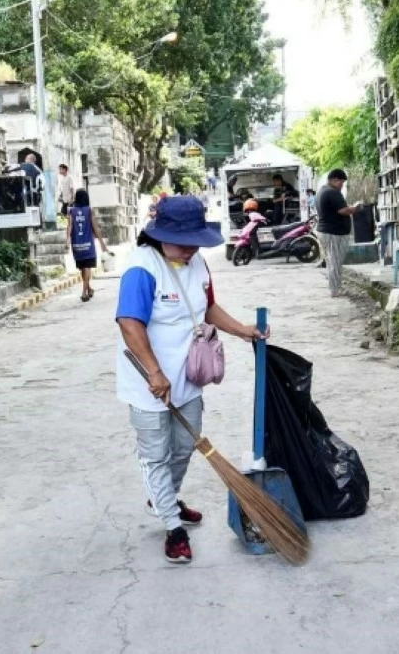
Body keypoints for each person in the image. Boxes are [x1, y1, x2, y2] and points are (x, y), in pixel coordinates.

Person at [116, 196, 267, 564]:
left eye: (196, 241)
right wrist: (154, 371)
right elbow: (129, 324)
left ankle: (165, 497)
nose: (191, 248)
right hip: (148, 383)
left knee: (184, 447)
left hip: (187, 379)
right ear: (159, 235)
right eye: (183, 241)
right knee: (155, 456)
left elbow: (208, 307)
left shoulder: (197, 264)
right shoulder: (142, 268)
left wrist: (243, 331)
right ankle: (173, 527)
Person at [316, 169, 361, 297]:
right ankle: (335, 290)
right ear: (335, 180)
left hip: (326, 231)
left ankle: (334, 287)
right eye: (341, 182)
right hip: (333, 233)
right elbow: (343, 211)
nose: (342, 185)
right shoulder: (333, 193)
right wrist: (355, 208)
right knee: (335, 262)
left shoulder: (322, 191)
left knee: (331, 261)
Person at [67, 189, 109, 302]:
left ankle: (89, 289)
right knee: (87, 267)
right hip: (88, 244)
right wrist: (102, 243)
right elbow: (95, 227)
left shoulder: (71, 211)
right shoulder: (89, 210)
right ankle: (84, 292)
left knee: (82, 267)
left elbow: (70, 227)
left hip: (76, 245)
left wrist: (67, 241)